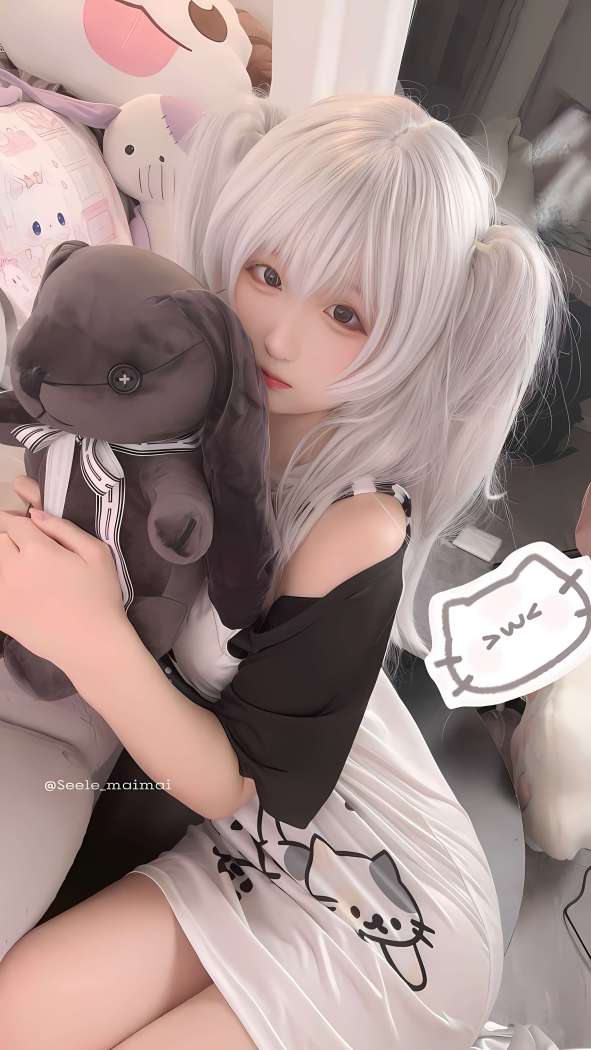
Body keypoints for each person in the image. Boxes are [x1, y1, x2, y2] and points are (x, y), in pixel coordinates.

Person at [0, 91, 563, 1049]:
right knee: (18, 1016)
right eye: (266, 272)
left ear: (414, 336)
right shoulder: (187, 391)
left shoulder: (355, 524)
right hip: (230, 857)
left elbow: (239, 786)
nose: (279, 335)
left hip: (380, 901)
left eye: (346, 313)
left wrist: (85, 632)